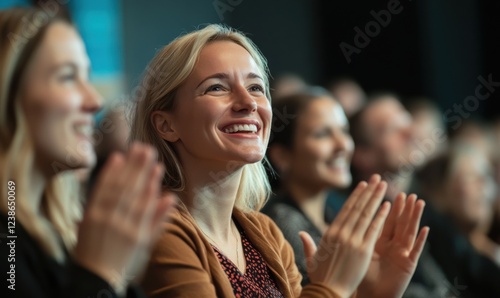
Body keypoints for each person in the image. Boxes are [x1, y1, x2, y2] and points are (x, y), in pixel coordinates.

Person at [132, 24, 428, 298]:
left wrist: (372, 295)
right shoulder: (157, 229)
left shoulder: (265, 232)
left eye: (256, 87)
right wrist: (332, 287)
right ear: (166, 125)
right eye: (217, 87)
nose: (248, 102)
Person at [0, 7, 175, 298]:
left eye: (87, 77)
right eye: (68, 77)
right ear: (7, 98)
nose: (95, 101)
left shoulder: (62, 236)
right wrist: (99, 275)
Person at [261, 88, 427, 292]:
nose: (343, 145)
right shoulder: (281, 221)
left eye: (344, 131)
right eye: (322, 134)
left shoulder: (336, 214)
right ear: (282, 156)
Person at [350, 95, 500, 297]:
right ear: (363, 154)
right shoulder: (358, 221)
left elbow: (474, 267)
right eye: (392, 129)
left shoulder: (428, 202)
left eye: (408, 121)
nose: (411, 132)